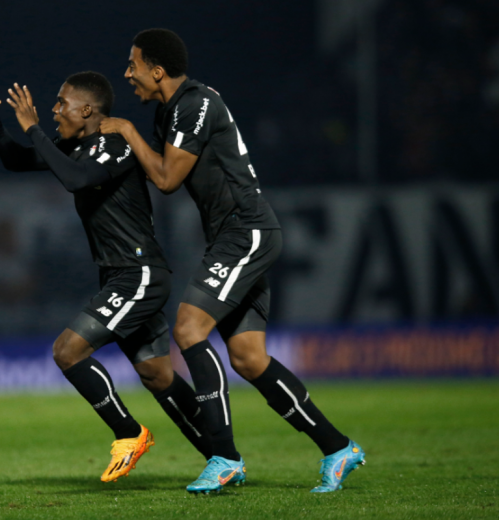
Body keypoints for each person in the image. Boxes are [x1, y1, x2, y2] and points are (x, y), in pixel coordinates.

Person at [99, 28, 365, 494]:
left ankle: (223, 457)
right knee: (248, 357)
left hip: (247, 231)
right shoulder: (171, 111)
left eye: (132, 65)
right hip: (233, 235)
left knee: (188, 329)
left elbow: (165, 178)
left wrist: (124, 129)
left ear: (157, 70)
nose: (127, 74)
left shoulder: (194, 104)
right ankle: (337, 447)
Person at [0, 71, 215, 482]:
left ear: (86, 110)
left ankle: (129, 433)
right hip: (121, 275)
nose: (53, 110)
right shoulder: (78, 147)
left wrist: (32, 127)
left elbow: (75, 179)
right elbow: (16, 159)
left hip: (138, 274)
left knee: (68, 351)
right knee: (158, 375)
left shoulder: (114, 144)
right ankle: (222, 457)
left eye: (61, 103)